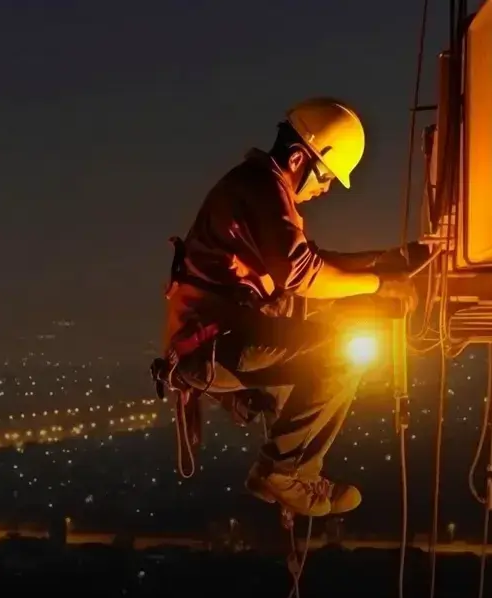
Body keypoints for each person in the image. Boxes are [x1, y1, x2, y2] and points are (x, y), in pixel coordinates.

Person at [158, 97, 417, 517]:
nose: (326, 188)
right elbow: (302, 274)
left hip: (215, 342)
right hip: (213, 345)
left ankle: (277, 472)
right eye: (327, 176)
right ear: (300, 157)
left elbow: (312, 261)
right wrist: (380, 282)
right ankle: (284, 472)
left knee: (322, 325)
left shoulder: (260, 188)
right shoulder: (262, 188)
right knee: (339, 352)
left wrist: (385, 260)